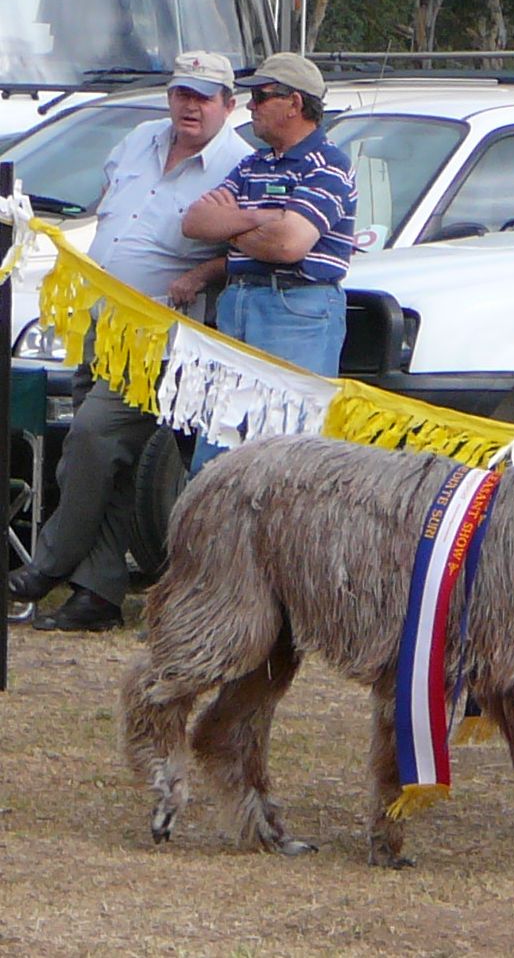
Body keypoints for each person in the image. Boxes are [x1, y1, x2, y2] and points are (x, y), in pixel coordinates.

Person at [8, 51, 252, 630]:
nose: (190, 107)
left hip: (160, 334)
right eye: (182, 94)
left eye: (204, 97)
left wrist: (201, 274)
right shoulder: (140, 139)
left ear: (228, 105)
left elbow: (246, 250)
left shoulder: (239, 165)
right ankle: (97, 596)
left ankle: (48, 563)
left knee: (94, 437)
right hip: (102, 319)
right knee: (108, 461)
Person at [181, 52, 357, 473]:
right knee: (217, 453)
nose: (251, 107)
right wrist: (260, 218)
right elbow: (195, 222)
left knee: (284, 457)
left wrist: (231, 223)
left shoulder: (329, 164)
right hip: (239, 304)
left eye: (261, 97)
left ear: (294, 103)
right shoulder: (252, 164)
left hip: (295, 310)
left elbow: (288, 244)